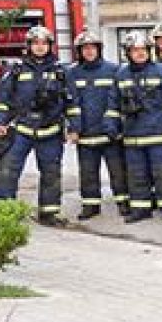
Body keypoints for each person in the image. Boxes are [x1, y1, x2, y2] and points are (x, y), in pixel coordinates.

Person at [0, 25, 73, 226]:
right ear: (29, 46)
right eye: (35, 43)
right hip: (22, 130)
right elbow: (2, 99)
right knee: (7, 171)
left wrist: (74, 127)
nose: (40, 47)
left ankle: (48, 213)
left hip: (50, 131)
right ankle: (3, 213)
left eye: (44, 43)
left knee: (51, 173)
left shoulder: (61, 71)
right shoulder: (16, 70)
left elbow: (72, 102)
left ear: (50, 46)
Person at [117, 31, 162, 223]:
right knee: (136, 175)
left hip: (159, 134)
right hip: (132, 135)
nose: (140, 53)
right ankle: (140, 209)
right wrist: (112, 125)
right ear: (128, 52)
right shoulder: (121, 75)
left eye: (143, 49)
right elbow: (113, 104)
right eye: (135, 50)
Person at [66, 30, 129, 220]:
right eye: (85, 48)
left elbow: (117, 101)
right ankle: (91, 206)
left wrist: (115, 126)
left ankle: (123, 202)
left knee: (118, 172)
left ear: (99, 49)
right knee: (87, 173)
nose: (89, 52)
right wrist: (74, 128)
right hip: (85, 134)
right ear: (79, 51)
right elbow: (72, 103)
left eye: (92, 48)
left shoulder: (114, 70)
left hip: (110, 134)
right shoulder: (72, 73)